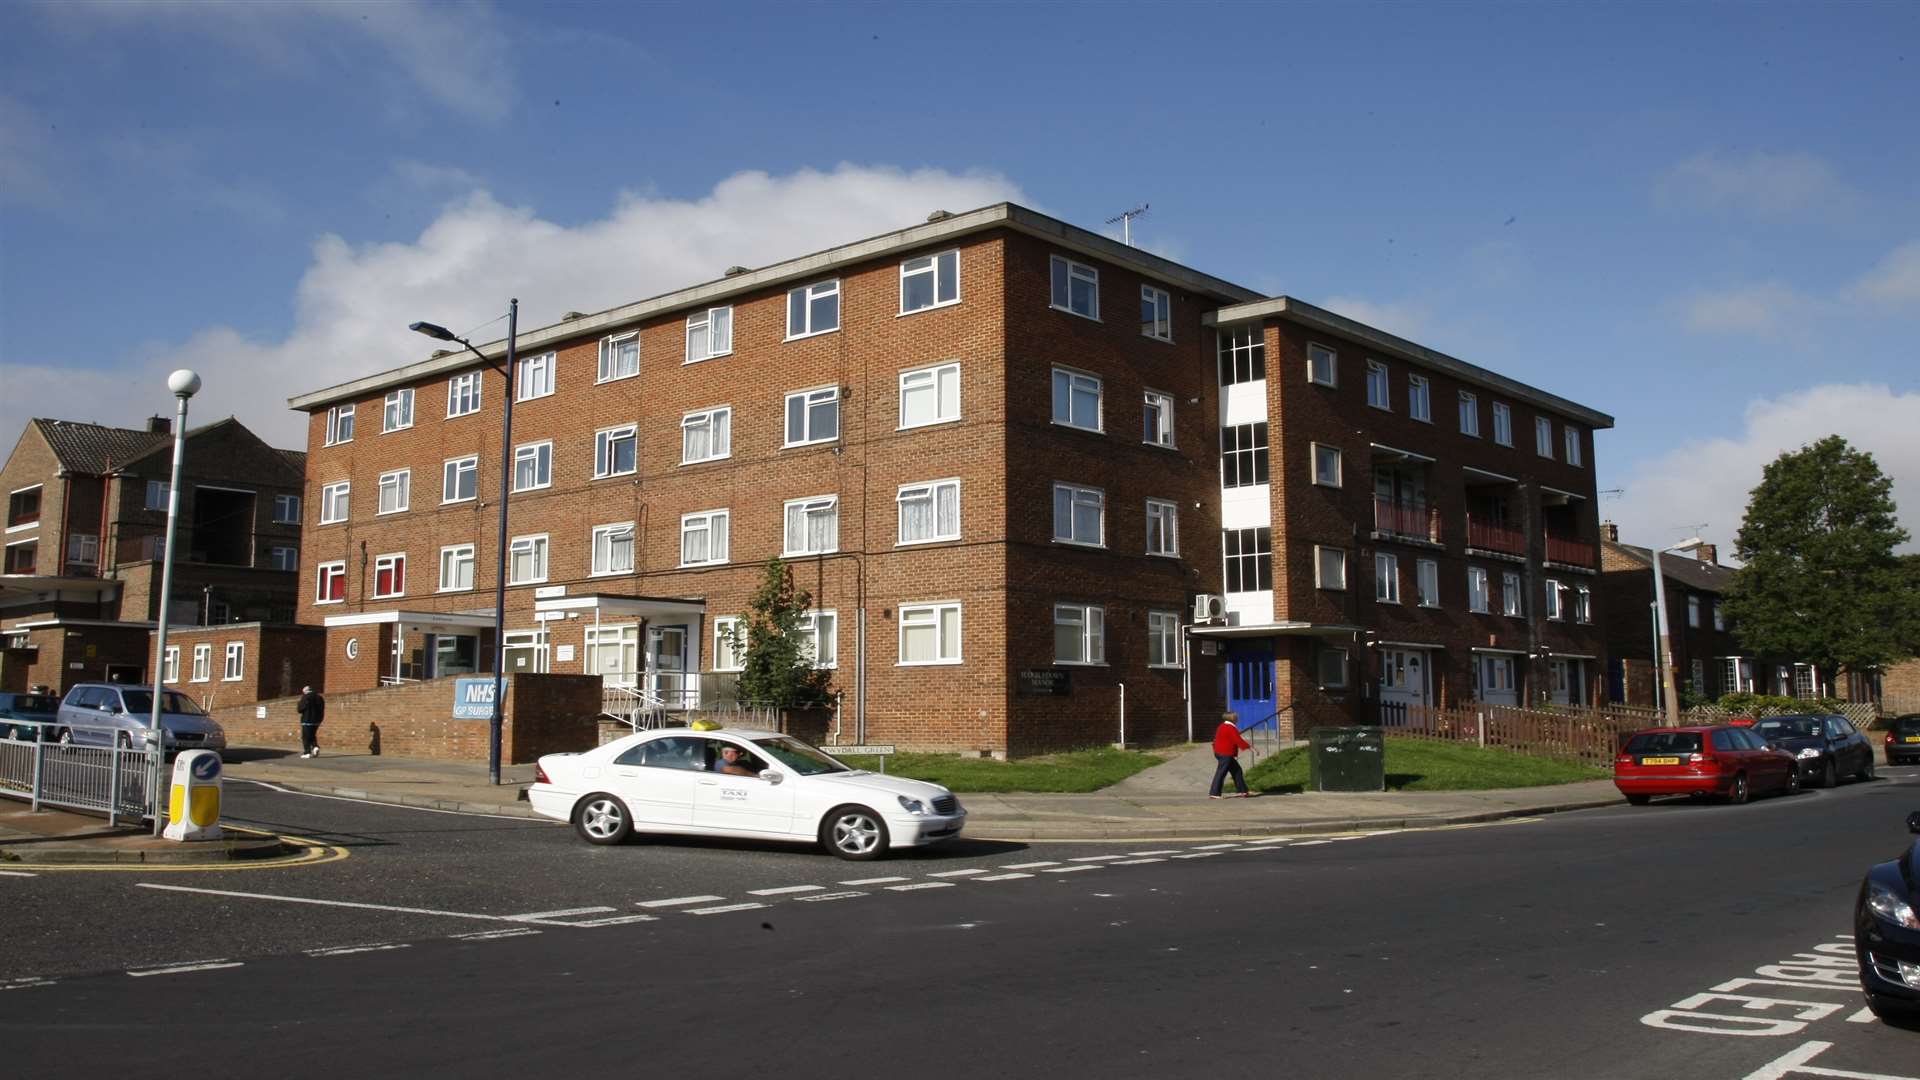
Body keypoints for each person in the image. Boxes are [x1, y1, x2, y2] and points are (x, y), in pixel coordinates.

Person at [1209, 713, 1255, 799]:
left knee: (1237, 770)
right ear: (1232, 718)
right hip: (1225, 753)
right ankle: (1214, 793)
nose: (1237, 718)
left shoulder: (1222, 726)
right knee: (1221, 773)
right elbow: (1237, 739)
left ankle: (1243, 791)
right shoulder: (1230, 727)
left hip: (1221, 752)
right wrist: (1251, 748)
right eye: (1236, 717)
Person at [295, 685, 325, 759]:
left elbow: (300, 709)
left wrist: (299, 703)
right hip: (317, 720)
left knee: (305, 736)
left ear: (305, 691)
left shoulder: (305, 697)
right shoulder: (320, 697)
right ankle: (315, 747)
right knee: (312, 735)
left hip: (307, 719)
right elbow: (322, 709)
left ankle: (307, 752)